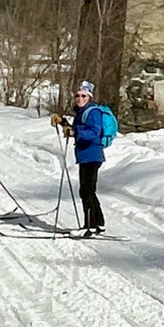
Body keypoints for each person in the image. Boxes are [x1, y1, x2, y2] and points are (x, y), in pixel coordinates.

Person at [52, 80, 116, 235]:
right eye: (78, 95)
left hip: (92, 155)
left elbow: (94, 132)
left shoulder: (93, 112)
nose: (80, 99)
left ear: (89, 97)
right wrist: (63, 123)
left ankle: (89, 227)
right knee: (89, 191)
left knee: (86, 191)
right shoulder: (82, 112)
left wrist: (75, 133)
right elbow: (77, 129)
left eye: (83, 96)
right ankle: (98, 224)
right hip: (86, 155)